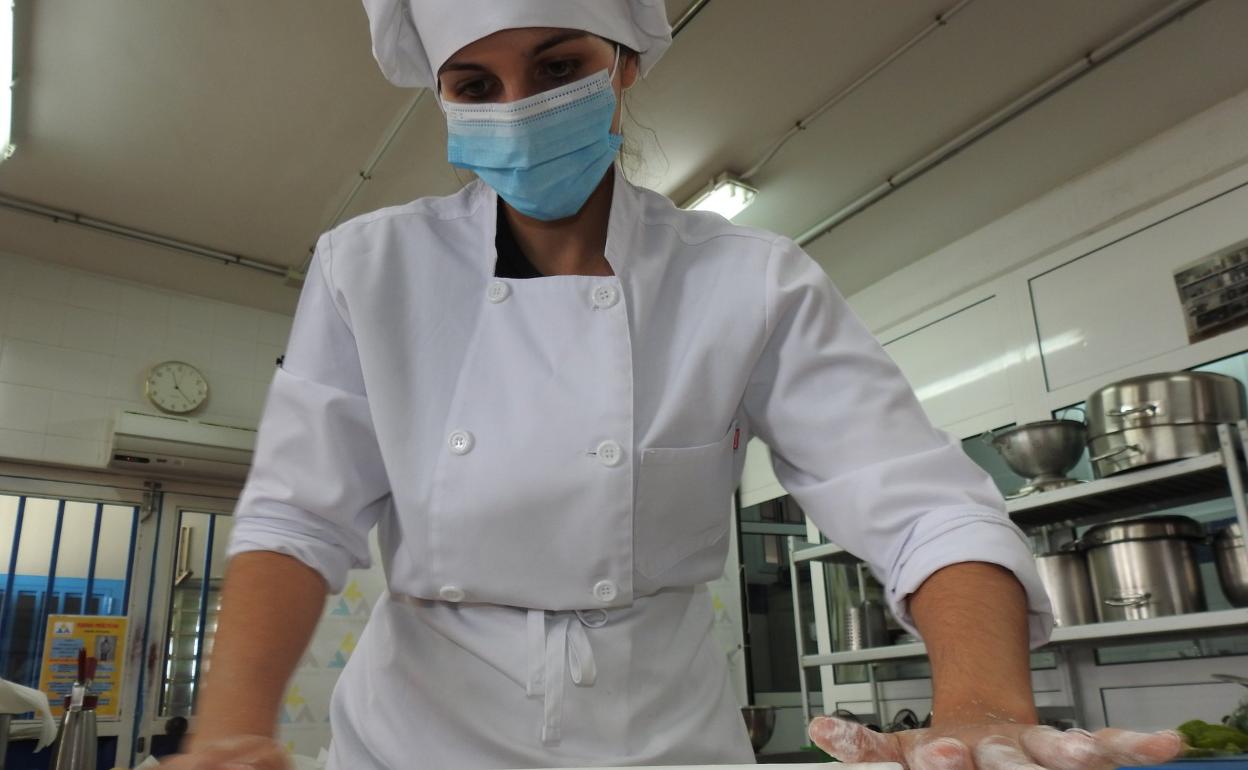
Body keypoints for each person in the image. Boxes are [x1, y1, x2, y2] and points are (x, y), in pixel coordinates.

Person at [166, 2, 1186, 769]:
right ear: (442, 97)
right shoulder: (370, 267)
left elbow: (920, 501)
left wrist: (985, 711)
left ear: (625, 65)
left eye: (558, 65)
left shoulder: (751, 280)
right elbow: (299, 516)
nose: (516, 110)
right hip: (415, 738)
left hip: (661, 736)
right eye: (474, 85)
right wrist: (230, 729)